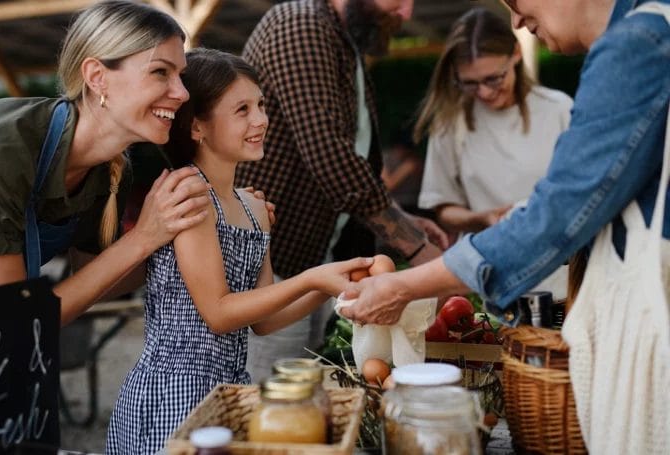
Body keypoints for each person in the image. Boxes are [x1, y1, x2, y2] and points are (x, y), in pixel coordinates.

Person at [340, 0, 669, 451]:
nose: (514, 20)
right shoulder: (655, 28)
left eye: (515, 1)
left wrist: (403, 287)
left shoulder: (635, 44)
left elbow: (554, 219)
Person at [105, 48, 373, 453]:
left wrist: (329, 286)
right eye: (242, 110)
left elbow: (263, 321)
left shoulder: (253, 209)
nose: (261, 120)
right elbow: (219, 313)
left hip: (229, 391)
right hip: (174, 394)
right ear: (197, 128)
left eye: (261, 105)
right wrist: (310, 277)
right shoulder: (188, 197)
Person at [0, 0, 211, 324]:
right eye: (161, 71)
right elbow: (15, 320)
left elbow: (99, 279)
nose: (182, 93)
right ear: (97, 77)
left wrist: (188, 236)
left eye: (181, 75)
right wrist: (143, 237)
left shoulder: (112, 173)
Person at [235, 0, 449, 382]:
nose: (406, 14)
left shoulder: (341, 41)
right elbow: (328, 152)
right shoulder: (300, 25)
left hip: (312, 260)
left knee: (308, 397)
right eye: (398, 1)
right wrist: (416, 247)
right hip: (272, 266)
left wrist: (403, 219)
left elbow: (355, 160)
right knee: (278, 401)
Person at [415, 7, 572, 238]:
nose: (485, 92)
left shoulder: (558, 108)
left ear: (516, 54)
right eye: (469, 83)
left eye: (493, 78)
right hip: (485, 258)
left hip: (558, 256)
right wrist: (481, 219)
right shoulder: (450, 122)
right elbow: (442, 205)